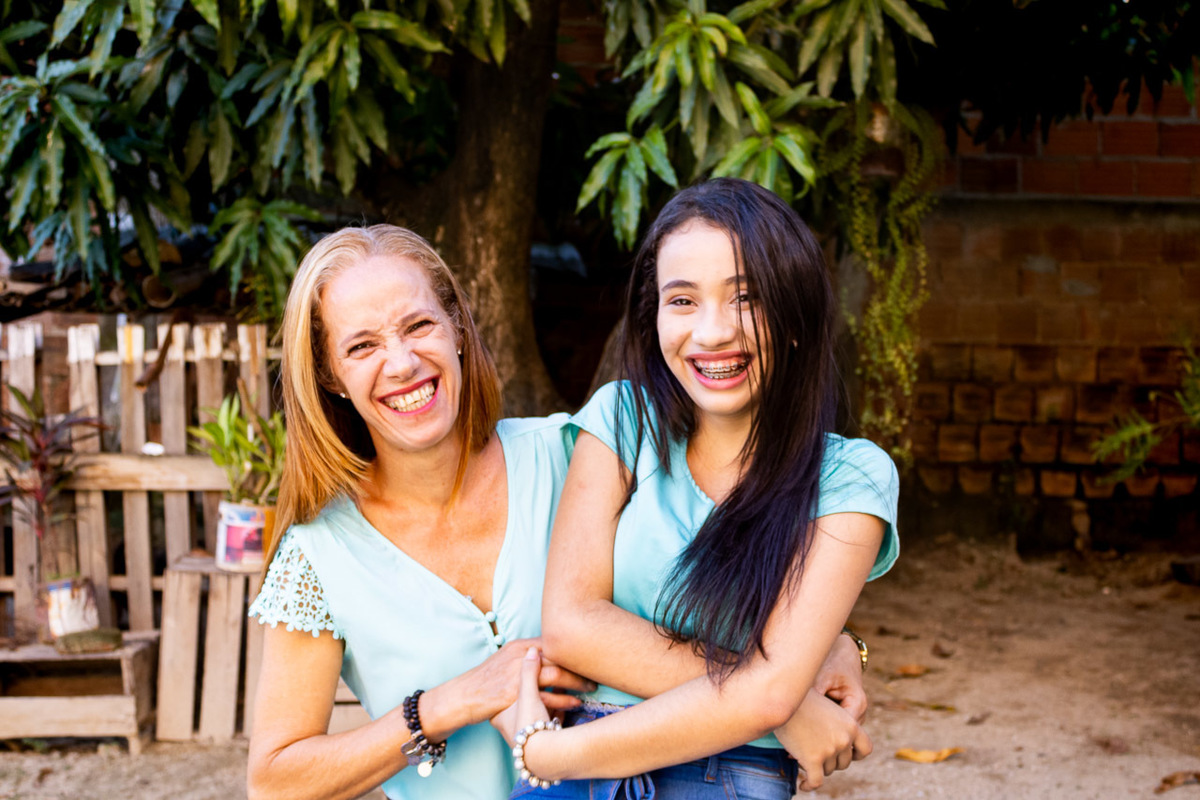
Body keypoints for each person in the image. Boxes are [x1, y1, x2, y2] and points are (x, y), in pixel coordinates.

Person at [244, 224, 872, 800]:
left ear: (457, 327)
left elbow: (719, 546)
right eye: (362, 346)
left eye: (419, 326)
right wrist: (449, 704)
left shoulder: (575, 452)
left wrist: (829, 648)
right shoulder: (317, 557)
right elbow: (274, 780)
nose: (402, 362)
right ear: (329, 375)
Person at [496, 178, 900, 798]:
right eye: (681, 301)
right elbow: (572, 625)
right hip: (578, 764)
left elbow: (767, 689)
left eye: (746, 299)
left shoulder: (850, 479)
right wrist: (782, 700)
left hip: (717, 771)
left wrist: (552, 752)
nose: (712, 334)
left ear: (795, 314)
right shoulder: (622, 421)